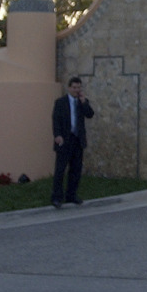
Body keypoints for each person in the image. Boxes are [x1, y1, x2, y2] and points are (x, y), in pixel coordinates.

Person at [51, 76, 95, 208]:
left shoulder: (82, 102)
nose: (76, 90)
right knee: (60, 170)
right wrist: (57, 135)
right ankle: (57, 197)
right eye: (74, 88)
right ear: (69, 88)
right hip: (65, 140)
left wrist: (84, 102)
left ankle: (71, 195)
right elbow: (56, 120)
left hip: (77, 140)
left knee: (76, 170)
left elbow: (90, 114)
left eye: (78, 88)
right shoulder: (60, 102)